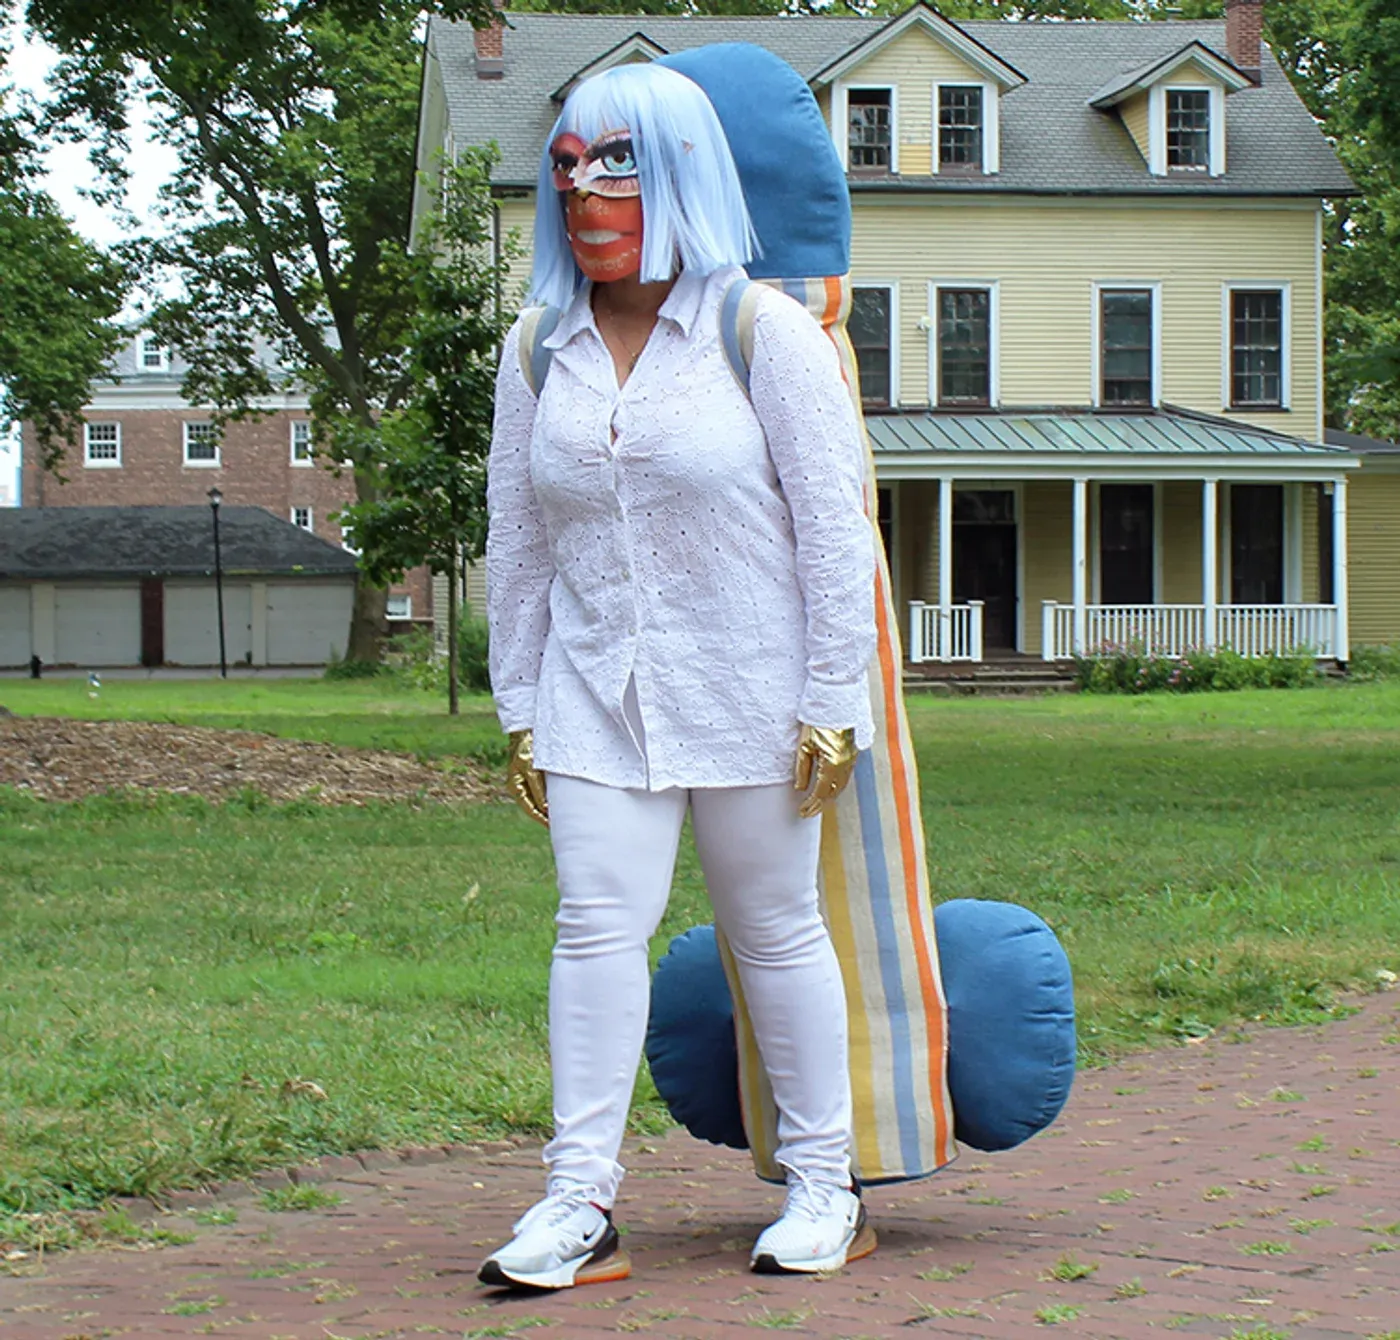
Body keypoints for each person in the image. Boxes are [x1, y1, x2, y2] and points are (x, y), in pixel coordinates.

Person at [480, 60, 877, 1290]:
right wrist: (517, 705)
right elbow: (518, 544)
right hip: (593, 693)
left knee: (774, 929)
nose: (583, 195)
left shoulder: (761, 333)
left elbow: (836, 532)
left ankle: (825, 1184)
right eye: (565, 170)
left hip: (753, 691)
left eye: (617, 167)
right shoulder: (537, 349)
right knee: (593, 927)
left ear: (683, 175)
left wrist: (833, 698)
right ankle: (577, 1203)